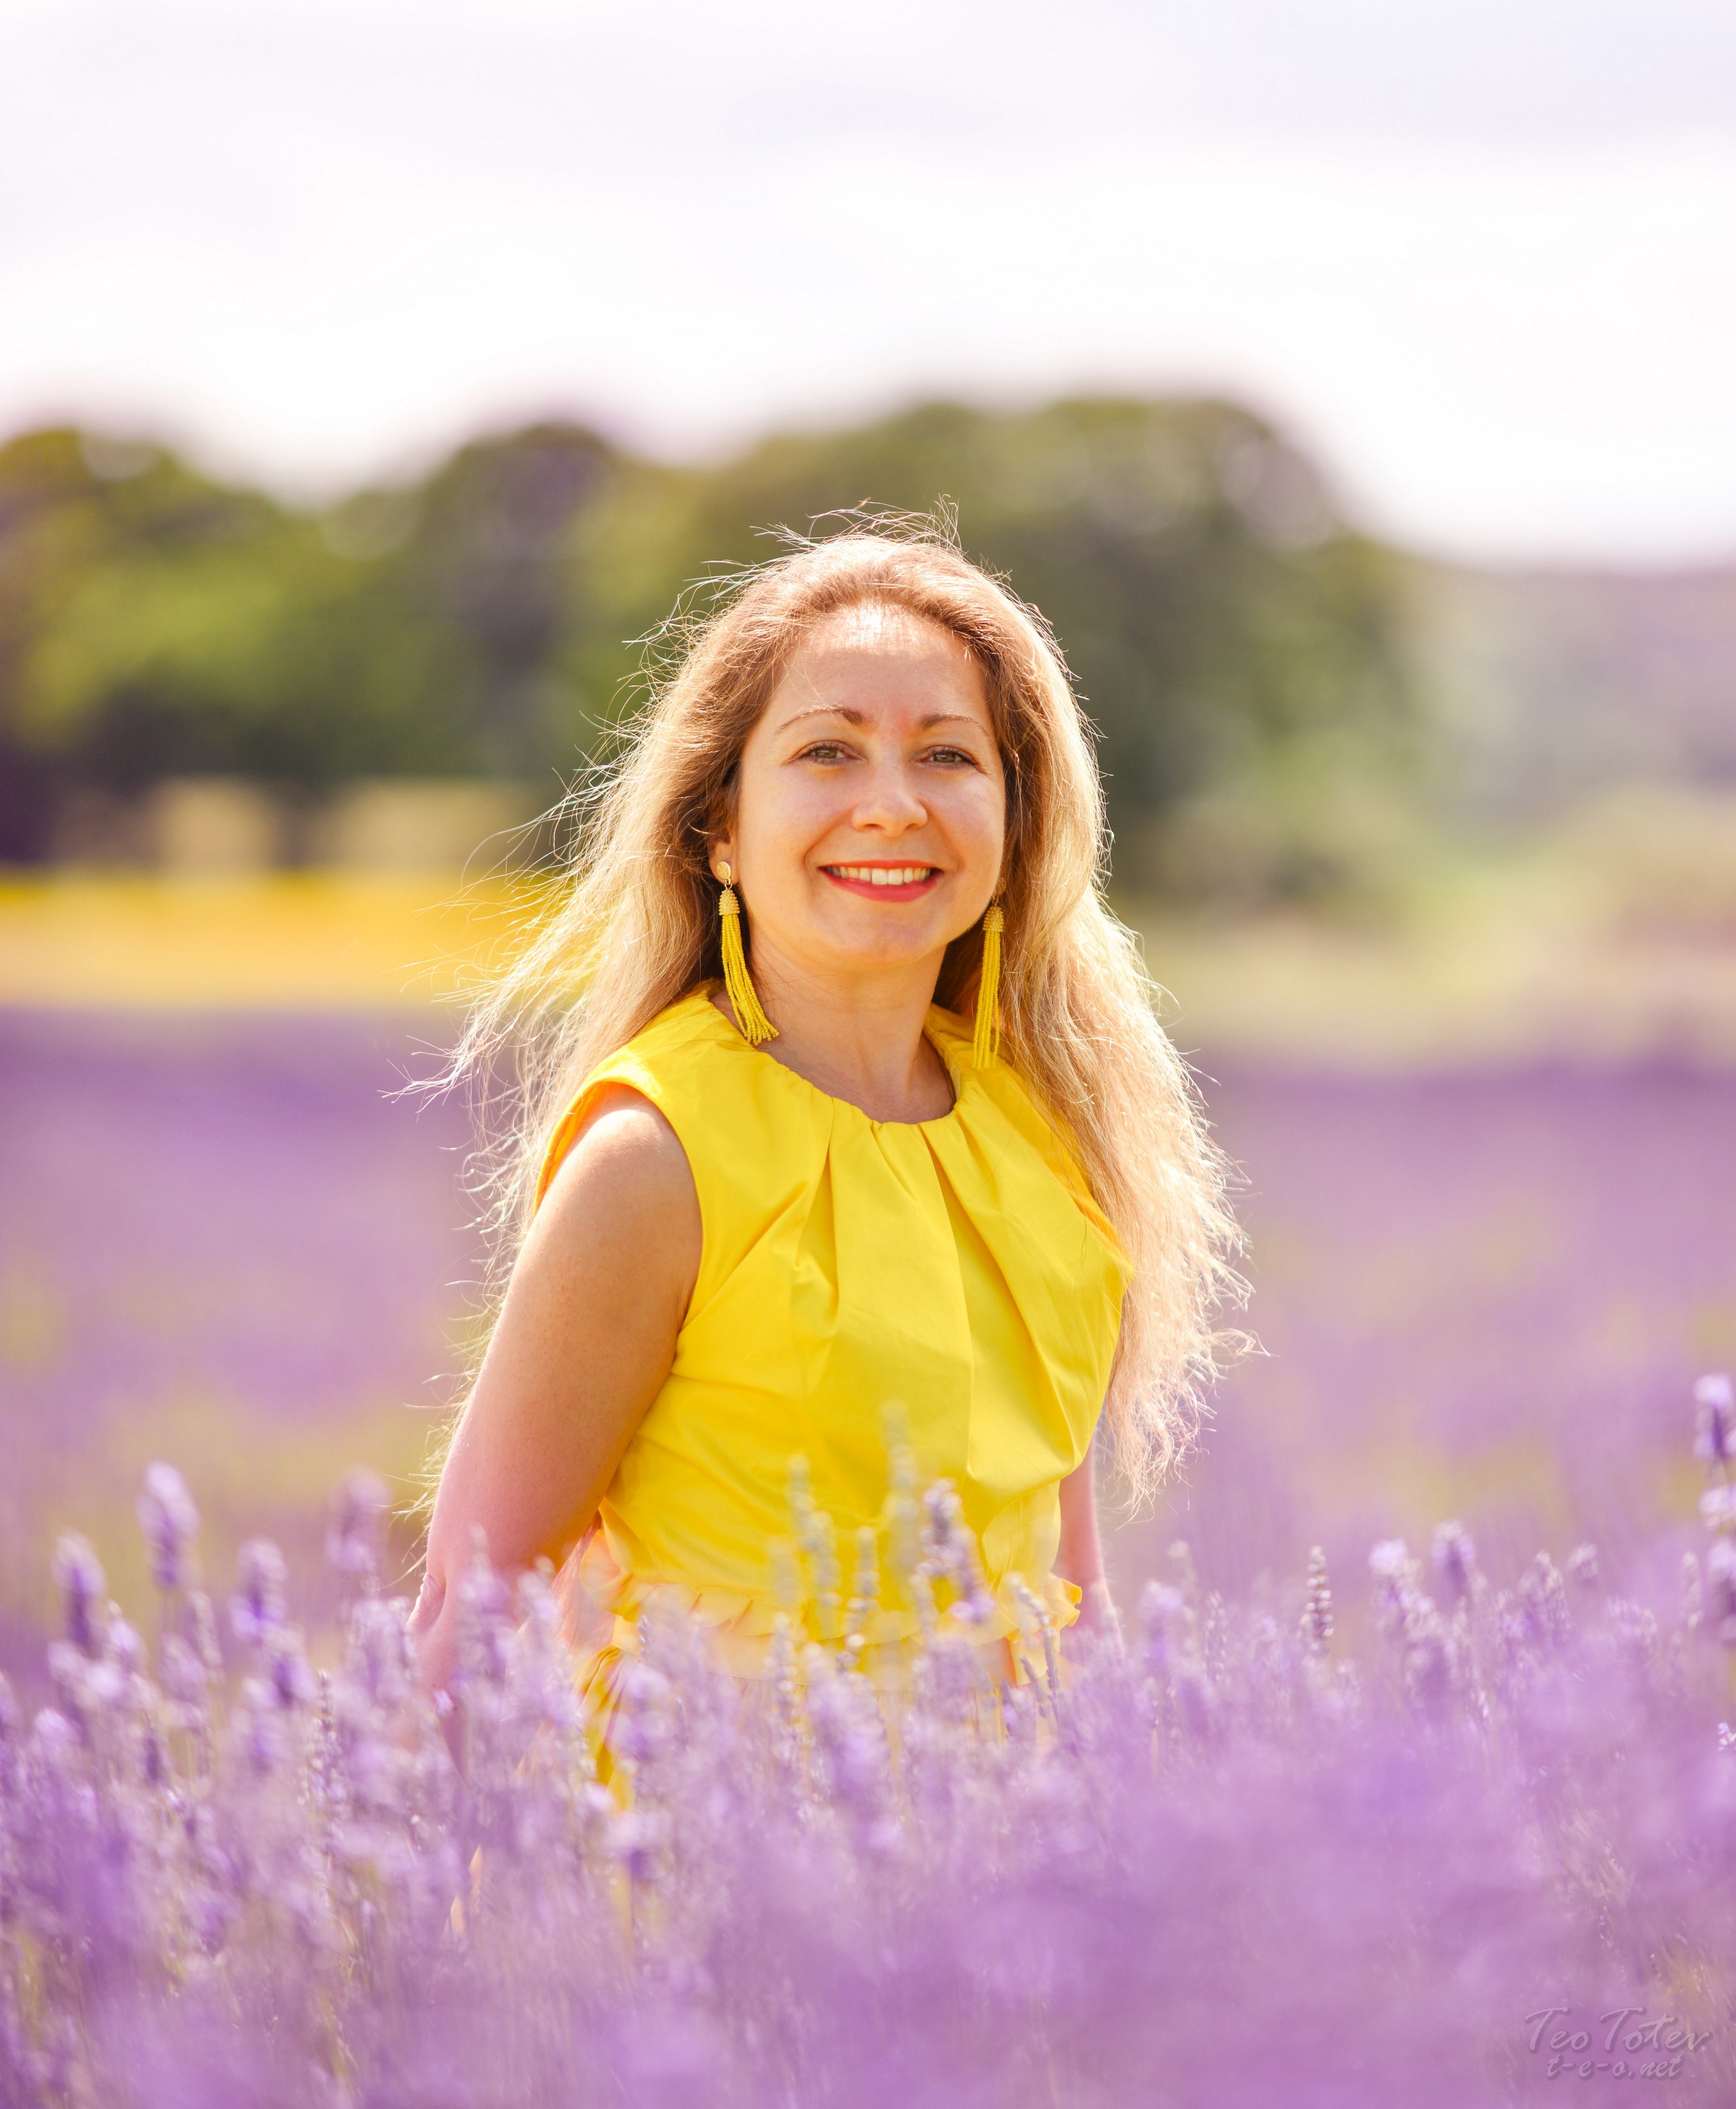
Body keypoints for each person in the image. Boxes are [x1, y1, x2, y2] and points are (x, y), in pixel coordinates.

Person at [409, 524, 1243, 1759]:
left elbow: (1070, 1599)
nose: (893, 804)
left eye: (948, 755)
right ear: (720, 832)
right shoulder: (656, 1156)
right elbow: (465, 1614)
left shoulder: (1044, 1139)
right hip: (703, 1890)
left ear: (1013, 825)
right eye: (827, 751)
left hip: (998, 1902)